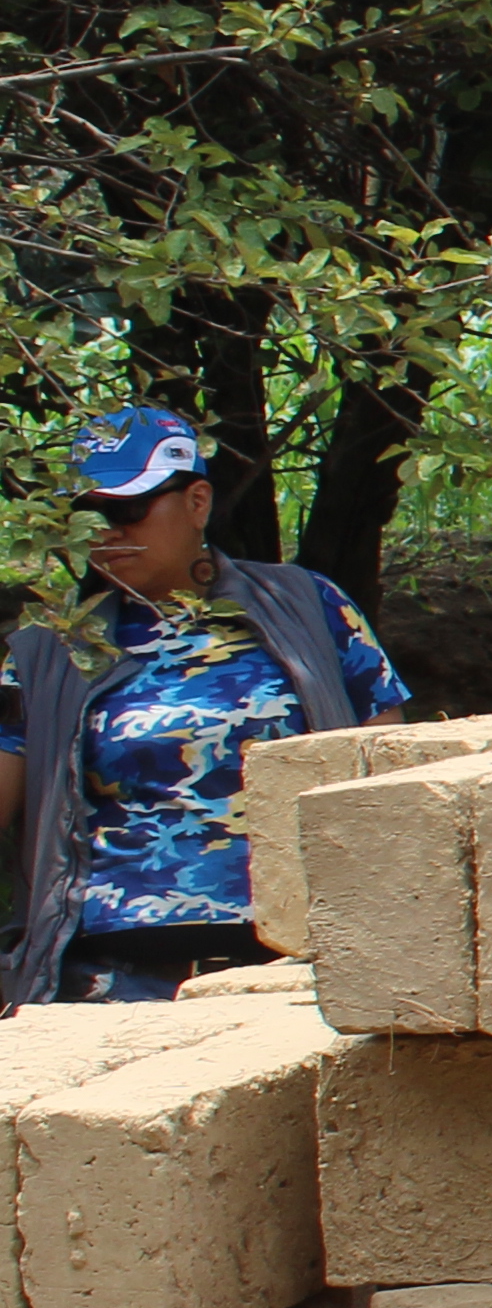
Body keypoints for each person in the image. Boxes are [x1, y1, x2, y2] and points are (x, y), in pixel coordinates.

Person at [5, 407, 408, 1009]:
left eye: (126, 509)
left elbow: (387, 770)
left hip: (297, 965)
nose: (104, 532)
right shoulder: (50, 649)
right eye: (85, 515)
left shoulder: (309, 605)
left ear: (197, 502)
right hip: (111, 980)